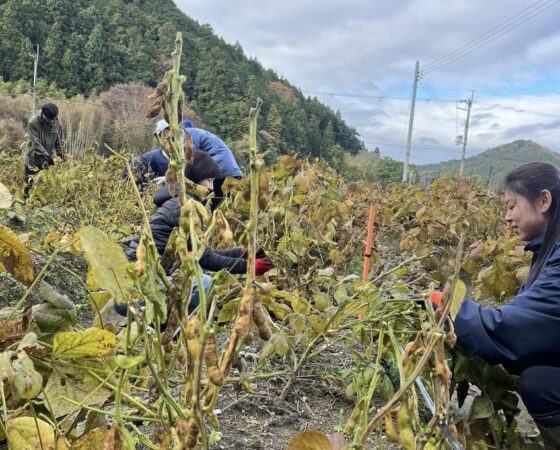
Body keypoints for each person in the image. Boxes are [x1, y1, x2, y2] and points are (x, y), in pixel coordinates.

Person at [453, 163, 560, 449]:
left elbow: (515, 329)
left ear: (544, 201)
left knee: (539, 384)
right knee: (533, 369)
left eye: (512, 206)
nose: (507, 217)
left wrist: (448, 309)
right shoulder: (547, 250)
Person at [116, 150, 271, 317]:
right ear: (194, 178)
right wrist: (249, 267)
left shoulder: (177, 202)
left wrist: (240, 253)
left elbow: (199, 252)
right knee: (203, 283)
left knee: (194, 279)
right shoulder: (184, 207)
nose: (211, 187)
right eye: (208, 180)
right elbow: (204, 259)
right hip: (135, 292)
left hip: (136, 285)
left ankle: (167, 327)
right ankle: (172, 330)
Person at [125, 119, 242, 208]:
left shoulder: (186, 135)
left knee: (210, 205)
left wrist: (171, 179)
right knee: (221, 205)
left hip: (219, 171)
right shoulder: (195, 132)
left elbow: (190, 161)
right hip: (230, 172)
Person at [23, 103, 64, 199]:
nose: (51, 122)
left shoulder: (55, 123)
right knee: (29, 185)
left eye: (53, 119)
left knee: (43, 187)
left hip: (46, 162)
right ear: (43, 114)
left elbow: (58, 141)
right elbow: (35, 143)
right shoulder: (33, 122)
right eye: (49, 119)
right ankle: (26, 208)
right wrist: (47, 156)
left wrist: (61, 155)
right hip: (33, 160)